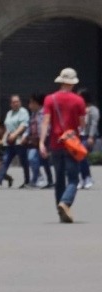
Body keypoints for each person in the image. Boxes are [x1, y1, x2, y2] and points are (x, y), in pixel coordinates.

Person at [40, 68, 87, 223]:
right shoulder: (79, 100)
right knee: (73, 179)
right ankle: (65, 203)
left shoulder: (50, 99)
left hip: (56, 144)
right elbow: (82, 124)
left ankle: (61, 212)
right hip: (71, 145)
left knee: (59, 179)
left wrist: (41, 142)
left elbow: (45, 122)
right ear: (72, 83)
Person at [0, 94, 29, 188]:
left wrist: (15, 134)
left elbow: (23, 125)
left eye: (17, 101)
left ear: (20, 102)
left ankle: (27, 181)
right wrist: (4, 138)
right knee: (5, 160)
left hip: (20, 141)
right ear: (10, 104)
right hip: (10, 141)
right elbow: (7, 127)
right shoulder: (9, 113)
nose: (15, 103)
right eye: (13, 102)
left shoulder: (23, 112)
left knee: (24, 162)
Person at [26, 93, 52, 189]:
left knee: (43, 161)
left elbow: (47, 126)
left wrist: (43, 139)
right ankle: (38, 179)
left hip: (44, 140)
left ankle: (46, 180)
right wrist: (27, 136)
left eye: (31, 103)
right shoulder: (33, 114)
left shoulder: (44, 113)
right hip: (34, 141)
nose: (30, 105)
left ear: (37, 103)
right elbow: (30, 126)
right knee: (33, 158)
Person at [78, 88, 97, 190]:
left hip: (87, 136)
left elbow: (94, 124)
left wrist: (91, 136)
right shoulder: (79, 108)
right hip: (79, 136)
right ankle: (84, 178)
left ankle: (87, 177)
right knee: (79, 158)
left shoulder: (93, 109)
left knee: (82, 156)